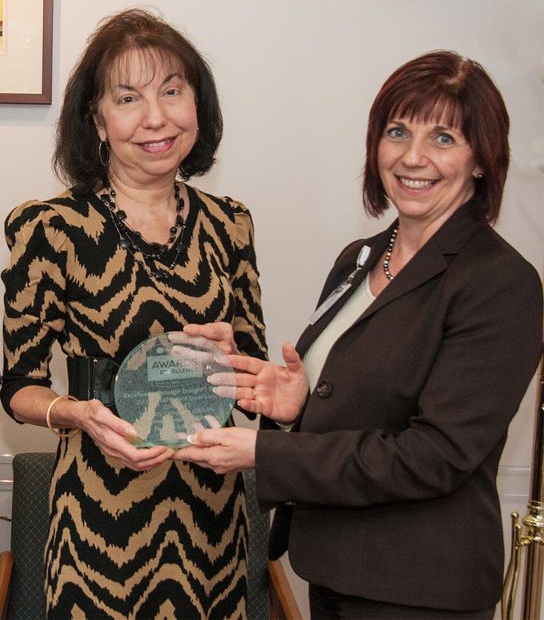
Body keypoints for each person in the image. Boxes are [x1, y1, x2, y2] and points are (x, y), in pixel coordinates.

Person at [179, 51, 543, 618]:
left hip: (419, 588)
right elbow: (351, 401)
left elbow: (436, 454)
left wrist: (267, 451)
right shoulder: (362, 257)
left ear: (481, 159)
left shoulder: (502, 283)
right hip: (334, 567)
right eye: (397, 132)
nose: (413, 157)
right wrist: (288, 405)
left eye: (444, 138)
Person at [0, 8, 267, 618]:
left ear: (198, 102)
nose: (156, 118)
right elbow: (20, 387)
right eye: (128, 98)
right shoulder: (51, 229)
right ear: (96, 119)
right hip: (99, 523)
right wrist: (76, 414)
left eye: (172, 91)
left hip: (213, 524)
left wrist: (238, 364)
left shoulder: (231, 225)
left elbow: (256, 389)